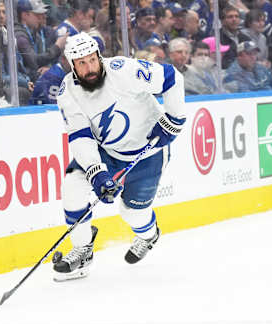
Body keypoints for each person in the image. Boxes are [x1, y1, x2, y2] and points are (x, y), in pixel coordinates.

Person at [53, 32, 186, 281]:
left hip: (150, 151)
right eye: (81, 63)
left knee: (132, 213)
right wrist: (96, 172)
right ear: (72, 66)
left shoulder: (123, 70)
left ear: (99, 56)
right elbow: (80, 135)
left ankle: (148, 235)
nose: (89, 67)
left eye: (92, 60)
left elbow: (171, 77)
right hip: (109, 152)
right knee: (72, 182)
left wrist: (174, 119)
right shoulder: (67, 91)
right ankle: (82, 249)